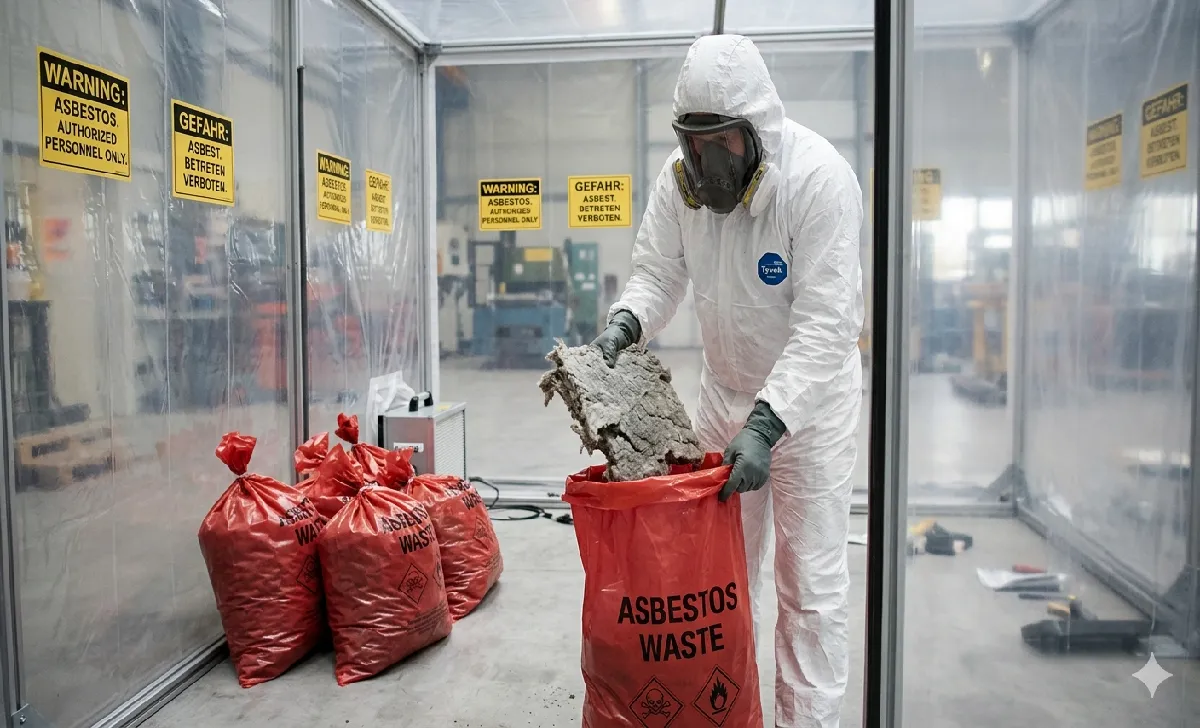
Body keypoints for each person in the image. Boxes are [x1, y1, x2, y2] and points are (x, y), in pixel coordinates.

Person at [591, 34, 864, 728]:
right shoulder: (675, 187)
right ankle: (725, 711)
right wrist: (627, 322)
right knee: (716, 580)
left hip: (810, 413)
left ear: (757, 133)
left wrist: (770, 424)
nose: (708, 166)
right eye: (695, 145)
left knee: (809, 590)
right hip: (723, 397)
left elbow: (828, 326)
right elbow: (658, 273)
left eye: (723, 147)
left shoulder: (818, 181)